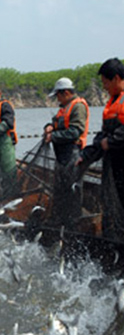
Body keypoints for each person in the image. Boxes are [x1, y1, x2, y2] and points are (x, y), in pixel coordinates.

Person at [77, 58, 124, 239]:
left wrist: (111, 141)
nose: (104, 87)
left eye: (105, 82)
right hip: (114, 166)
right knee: (113, 205)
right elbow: (102, 136)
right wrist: (86, 155)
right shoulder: (113, 102)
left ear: (116, 78)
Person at [44, 77, 89, 229]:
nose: (57, 98)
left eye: (58, 95)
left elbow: (75, 132)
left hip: (73, 155)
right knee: (60, 191)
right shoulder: (64, 107)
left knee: (73, 191)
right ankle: (60, 222)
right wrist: (49, 127)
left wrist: (54, 136)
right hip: (61, 156)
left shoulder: (78, 106)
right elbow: (56, 122)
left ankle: (73, 225)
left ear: (66, 93)